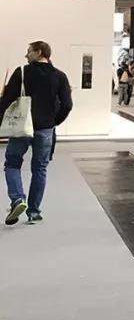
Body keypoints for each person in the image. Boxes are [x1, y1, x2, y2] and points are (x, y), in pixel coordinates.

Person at [2, 41, 73, 225]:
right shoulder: (59, 76)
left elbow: (6, 100)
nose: (26, 55)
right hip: (45, 129)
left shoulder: (22, 72)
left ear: (39, 52)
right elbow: (67, 105)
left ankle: (18, 199)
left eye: (29, 51)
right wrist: (53, 122)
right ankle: (33, 212)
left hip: (21, 127)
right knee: (40, 168)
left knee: (12, 163)